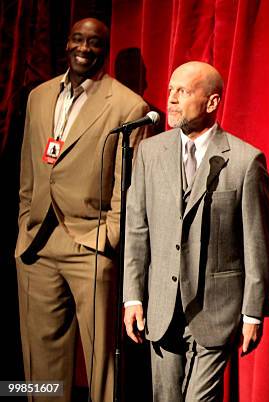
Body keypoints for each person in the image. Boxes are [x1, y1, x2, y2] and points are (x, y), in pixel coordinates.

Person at [15, 18, 150, 401]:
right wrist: (25, 222)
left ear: (103, 49)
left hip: (90, 245)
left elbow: (129, 187)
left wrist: (108, 237)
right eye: (78, 38)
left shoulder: (128, 106)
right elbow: (29, 169)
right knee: (38, 362)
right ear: (66, 43)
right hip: (37, 244)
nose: (84, 48)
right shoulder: (38, 96)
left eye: (94, 42)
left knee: (101, 363)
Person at [123, 61, 269, 401]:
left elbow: (257, 243)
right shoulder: (150, 152)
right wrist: (132, 296)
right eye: (171, 90)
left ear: (212, 102)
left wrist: (253, 311)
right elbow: (137, 229)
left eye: (184, 92)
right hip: (162, 307)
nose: (172, 99)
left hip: (216, 309)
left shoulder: (245, 161)